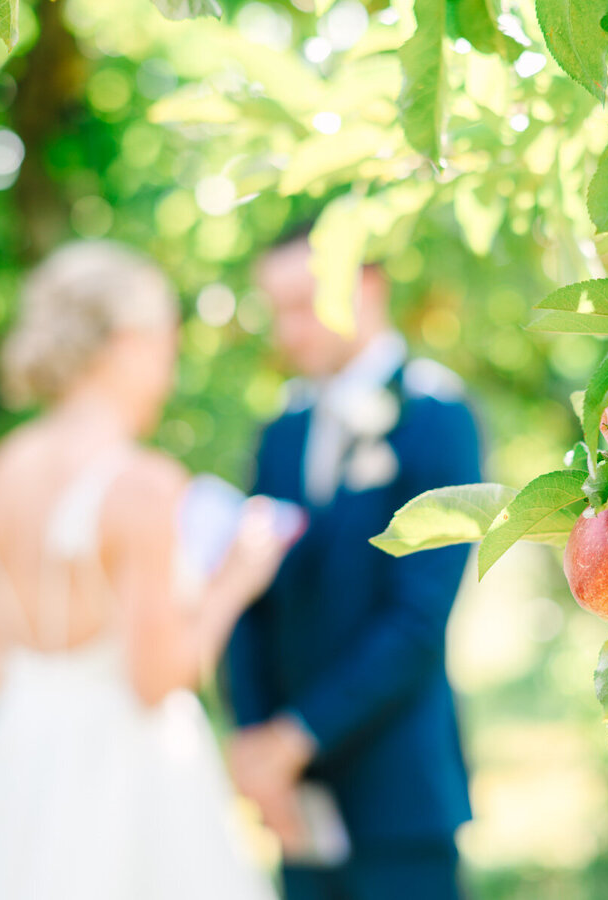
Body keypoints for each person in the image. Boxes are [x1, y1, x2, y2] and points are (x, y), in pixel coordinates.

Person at [0, 241, 287, 900]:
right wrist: (234, 580)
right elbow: (153, 680)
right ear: (125, 345)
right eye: (166, 343)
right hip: (125, 779)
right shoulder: (142, 486)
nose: (169, 366)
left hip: (16, 769)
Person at [224, 223, 482, 900]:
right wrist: (258, 746)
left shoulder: (437, 416)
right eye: (275, 310)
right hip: (295, 804)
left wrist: (295, 736)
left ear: (367, 286)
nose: (287, 331)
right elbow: (250, 600)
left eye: (302, 304)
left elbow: (417, 621)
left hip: (399, 794)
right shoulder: (280, 433)